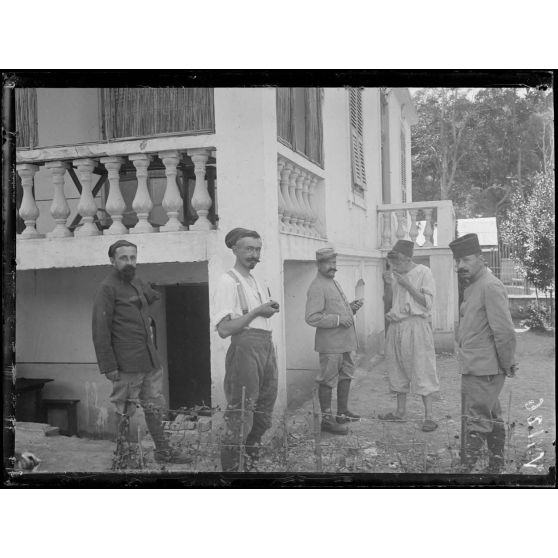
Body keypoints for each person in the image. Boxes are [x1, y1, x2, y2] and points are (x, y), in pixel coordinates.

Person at [92, 240, 191, 464]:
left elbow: (152, 295)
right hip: (126, 363)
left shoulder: (136, 281)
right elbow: (100, 328)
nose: (129, 262)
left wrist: (144, 306)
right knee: (124, 410)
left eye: (133, 257)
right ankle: (123, 456)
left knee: (155, 407)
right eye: (123, 258)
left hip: (150, 359)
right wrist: (108, 366)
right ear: (112, 261)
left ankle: (164, 451)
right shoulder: (107, 288)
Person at [212, 228, 280, 471]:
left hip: (266, 348)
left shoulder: (256, 281)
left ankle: (250, 466)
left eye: (258, 249)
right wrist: (256, 312)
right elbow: (224, 329)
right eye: (249, 249)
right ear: (235, 249)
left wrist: (266, 308)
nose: (254, 254)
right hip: (244, 351)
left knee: (263, 414)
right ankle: (230, 473)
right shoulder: (227, 281)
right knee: (240, 416)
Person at [449, 233, 517, 472]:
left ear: (481, 258)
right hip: (475, 365)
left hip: (484, 368)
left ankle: (465, 471)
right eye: (458, 262)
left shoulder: (490, 286)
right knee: (491, 414)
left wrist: (508, 362)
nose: (461, 266)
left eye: (466, 260)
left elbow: (505, 331)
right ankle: (496, 464)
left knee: (477, 419)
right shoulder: (473, 285)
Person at [379, 239, 440, 432]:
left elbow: (426, 303)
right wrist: (389, 285)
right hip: (396, 326)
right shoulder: (395, 275)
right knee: (396, 367)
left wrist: (407, 285)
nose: (394, 268)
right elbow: (388, 304)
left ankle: (429, 416)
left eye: (397, 264)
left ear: (407, 259)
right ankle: (400, 411)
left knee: (422, 368)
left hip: (416, 326)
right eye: (392, 264)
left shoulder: (424, 272)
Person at [305, 246, 364, 435]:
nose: (333, 267)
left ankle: (342, 413)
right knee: (327, 380)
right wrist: (339, 319)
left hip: (345, 343)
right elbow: (312, 317)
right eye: (329, 263)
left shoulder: (332, 282)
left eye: (334, 263)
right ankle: (327, 420)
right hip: (330, 345)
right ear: (319, 264)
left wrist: (350, 308)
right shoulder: (317, 286)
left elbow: (335, 308)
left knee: (346, 375)